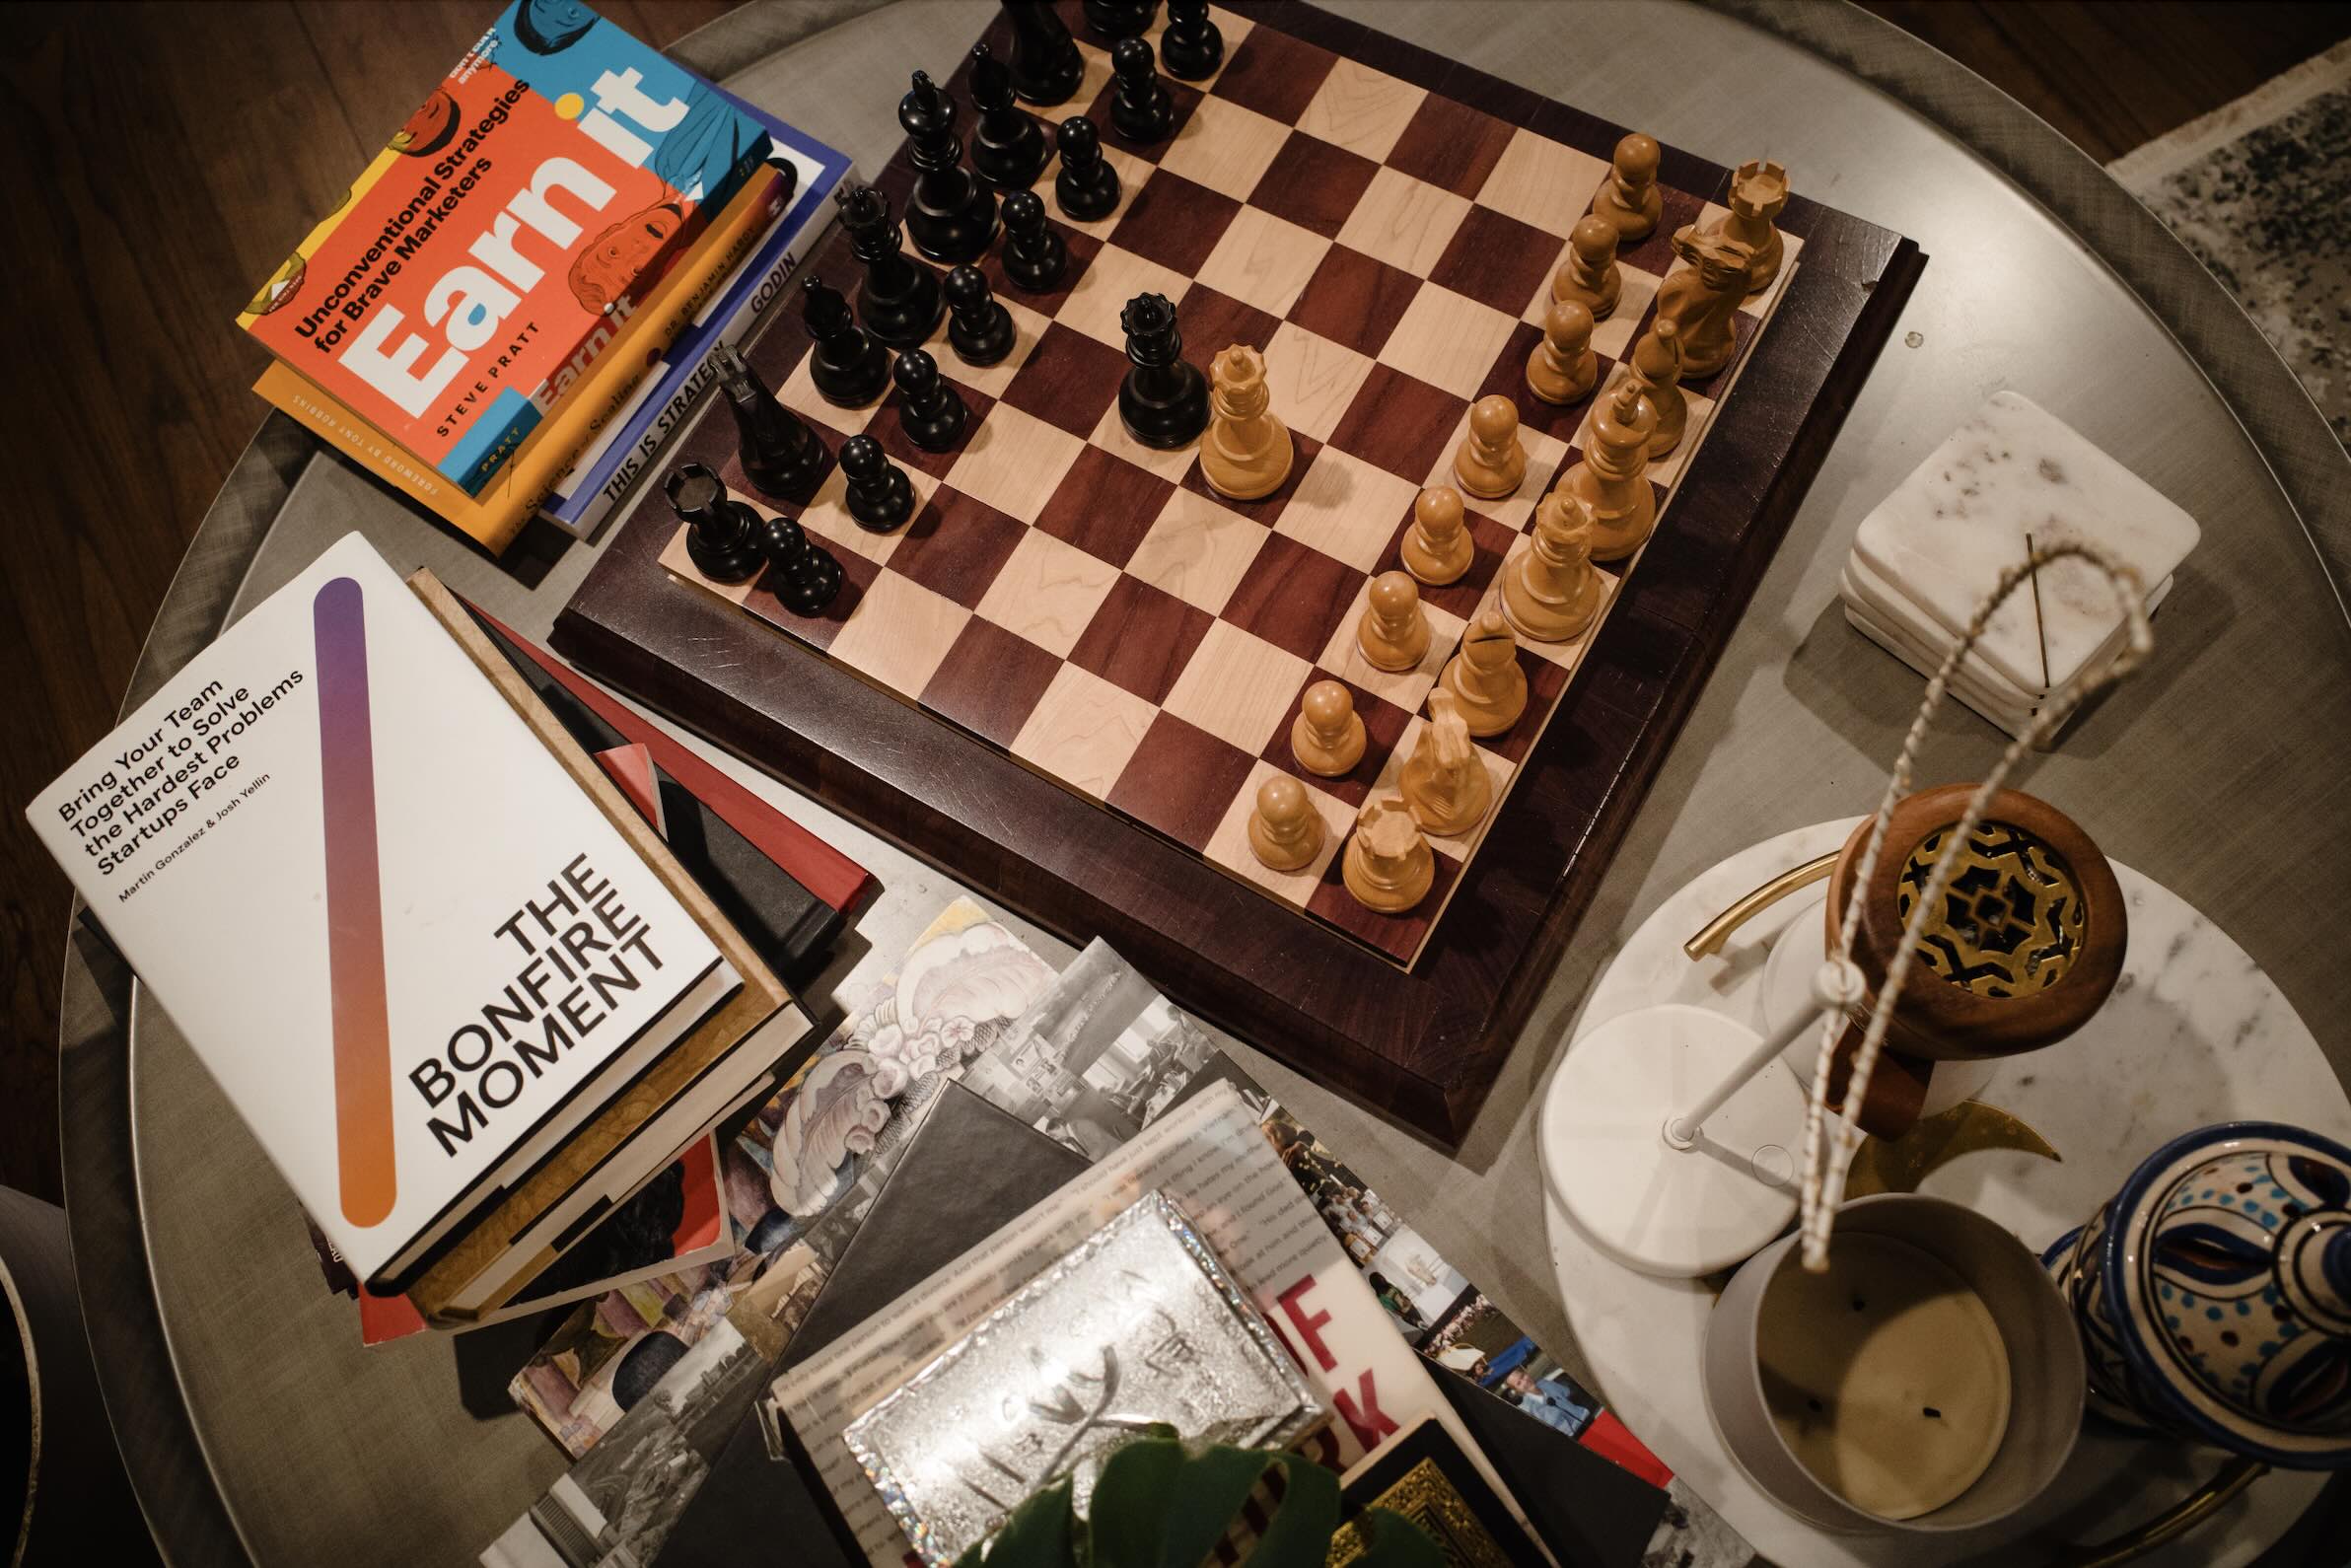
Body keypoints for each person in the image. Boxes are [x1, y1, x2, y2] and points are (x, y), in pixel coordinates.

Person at [1504, 1365, 1595, 1437]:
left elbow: (1566, 1392)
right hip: (1574, 1437)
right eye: (1519, 1383)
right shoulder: (1527, 1410)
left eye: (1523, 1376)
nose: (1525, 1381)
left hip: (1585, 1419)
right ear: (1517, 1391)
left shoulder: (1545, 1383)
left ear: (1526, 1373)